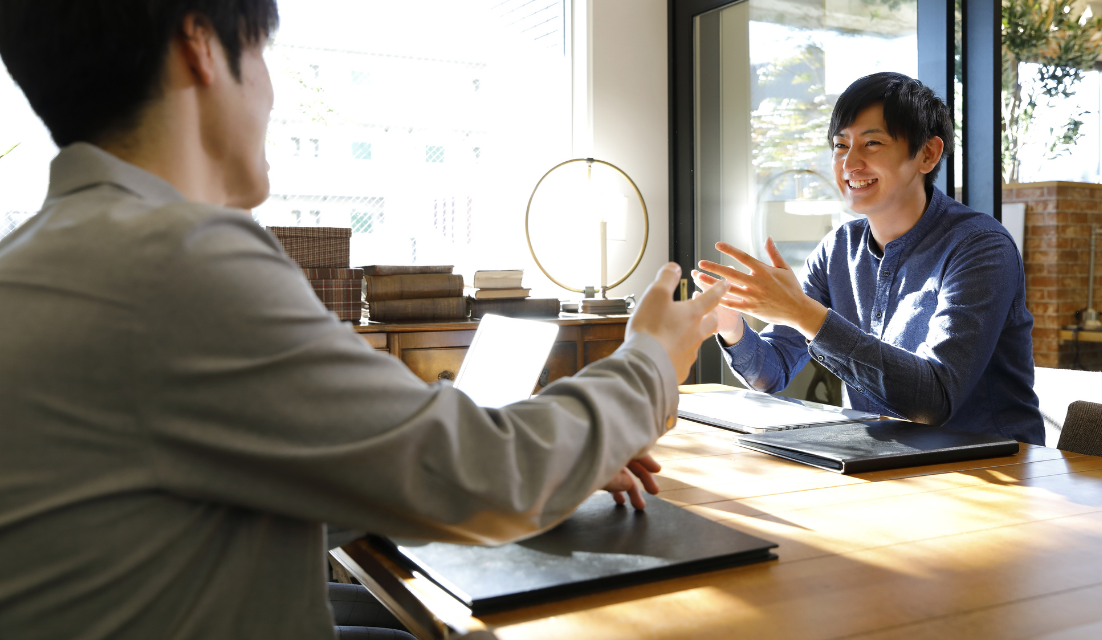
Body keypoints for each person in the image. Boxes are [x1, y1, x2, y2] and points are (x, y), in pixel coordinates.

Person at [0, 1, 728, 639]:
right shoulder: (175, 258)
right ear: (199, 47)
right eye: (259, 52)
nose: (271, 94)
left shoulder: (40, 257)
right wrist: (651, 358)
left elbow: (226, 491)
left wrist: (565, 465)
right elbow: (490, 480)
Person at [694, 72, 1044, 445]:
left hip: (993, 471)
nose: (849, 164)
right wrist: (732, 326)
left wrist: (801, 312)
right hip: (884, 462)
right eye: (840, 146)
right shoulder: (838, 250)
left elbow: (934, 401)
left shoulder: (980, 247)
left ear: (927, 154)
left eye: (872, 143)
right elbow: (772, 371)